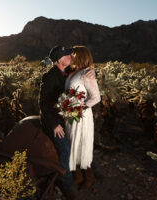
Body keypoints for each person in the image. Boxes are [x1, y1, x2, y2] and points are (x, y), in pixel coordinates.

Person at [39, 45, 95, 199]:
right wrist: (54, 125)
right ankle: (68, 185)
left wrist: (92, 71)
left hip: (69, 117)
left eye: (70, 53)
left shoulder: (70, 72)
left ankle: (86, 174)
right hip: (55, 121)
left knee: (79, 145)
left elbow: (83, 75)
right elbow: (43, 103)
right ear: (59, 60)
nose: (70, 56)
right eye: (66, 55)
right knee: (66, 150)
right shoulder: (50, 76)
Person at [65, 45, 101, 191]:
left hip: (81, 116)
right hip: (70, 115)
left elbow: (96, 98)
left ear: (80, 55)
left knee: (82, 146)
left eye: (73, 53)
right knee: (72, 144)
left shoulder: (87, 73)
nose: (71, 55)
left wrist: (80, 107)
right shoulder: (72, 72)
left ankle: (89, 178)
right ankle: (78, 176)